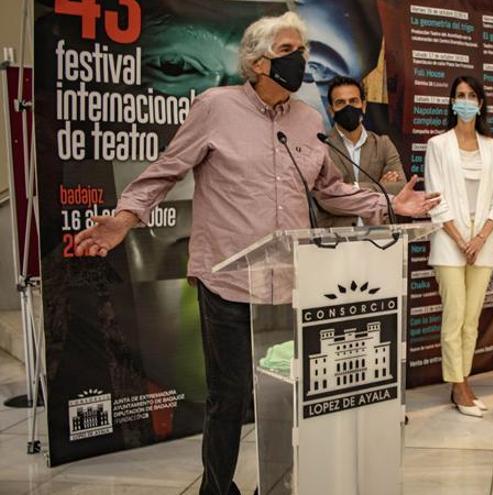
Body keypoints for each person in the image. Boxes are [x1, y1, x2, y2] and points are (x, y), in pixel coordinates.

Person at [72, 12, 439, 495]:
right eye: (288, 51)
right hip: (226, 279)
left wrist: (389, 202)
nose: (299, 61)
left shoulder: (309, 120)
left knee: (288, 392)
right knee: (229, 396)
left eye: (300, 51)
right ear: (257, 62)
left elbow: (329, 190)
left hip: (288, 281)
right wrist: (124, 217)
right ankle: (216, 488)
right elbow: (166, 169)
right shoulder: (215, 107)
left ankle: (289, 479)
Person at [425, 75, 493, 418]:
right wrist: (461, 240)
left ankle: (463, 379)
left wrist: (479, 239)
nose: (465, 100)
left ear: (481, 103)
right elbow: (435, 199)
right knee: (454, 314)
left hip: (483, 245)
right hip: (449, 243)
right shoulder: (438, 145)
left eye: (471, 95)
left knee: (472, 319)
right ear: (451, 102)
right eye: (459, 95)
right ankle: (458, 386)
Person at [318, 75, 406, 227]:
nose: (348, 107)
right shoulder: (321, 146)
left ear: (363, 105)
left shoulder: (383, 144)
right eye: (341, 103)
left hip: (381, 235)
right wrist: (379, 186)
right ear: (331, 110)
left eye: (353, 101)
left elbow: (400, 188)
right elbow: (327, 197)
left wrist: (354, 187)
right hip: (336, 239)